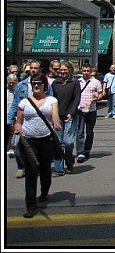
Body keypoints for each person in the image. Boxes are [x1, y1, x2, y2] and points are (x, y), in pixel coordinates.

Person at [14, 73, 61, 218]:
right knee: (31, 171)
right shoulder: (25, 102)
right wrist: (17, 127)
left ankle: (44, 192)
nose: (36, 86)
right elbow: (19, 120)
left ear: (44, 85)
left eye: (39, 83)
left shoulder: (51, 100)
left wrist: (57, 123)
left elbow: (54, 116)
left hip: (46, 140)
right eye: (34, 83)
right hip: (28, 141)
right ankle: (30, 205)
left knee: (45, 169)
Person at [7, 61, 51, 179]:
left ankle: (35, 167)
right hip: (22, 120)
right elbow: (15, 103)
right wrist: (10, 119)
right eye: (31, 68)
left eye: (35, 68)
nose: (33, 70)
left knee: (38, 150)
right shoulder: (21, 85)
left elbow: (51, 101)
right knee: (17, 147)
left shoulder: (46, 86)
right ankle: (21, 167)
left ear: (40, 69)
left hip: (39, 122)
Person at [51, 61, 80, 176]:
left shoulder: (74, 82)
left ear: (70, 70)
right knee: (58, 143)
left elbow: (77, 98)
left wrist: (72, 112)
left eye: (65, 70)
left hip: (69, 116)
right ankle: (58, 169)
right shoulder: (55, 83)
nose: (62, 72)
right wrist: (53, 115)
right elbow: (52, 99)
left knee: (68, 142)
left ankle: (69, 163)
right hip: (57, 116)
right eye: (61, 70)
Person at [75, 65, 104, 163]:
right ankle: (80, 152)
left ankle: (87, 150)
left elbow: (101, 94)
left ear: (91, 72)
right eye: (84, 71)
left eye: (87, 71)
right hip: (80, 110)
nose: (86, 72)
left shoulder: (96, 82)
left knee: (89, 132)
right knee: (79, 132)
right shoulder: (78, 82)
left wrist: (96, 99)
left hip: (92, 110)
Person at [6, 73, 19, 157]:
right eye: (9, 82)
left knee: (13, 131)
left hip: (15, 114)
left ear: (16, 82)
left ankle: (12, 147)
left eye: (13, 82)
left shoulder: (18, 90)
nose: (11, 84)